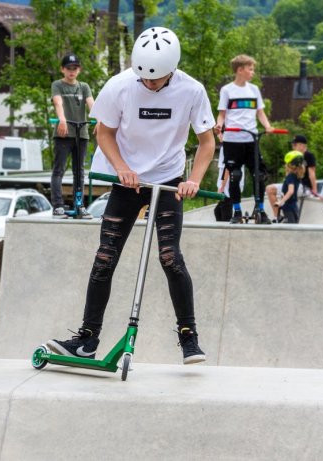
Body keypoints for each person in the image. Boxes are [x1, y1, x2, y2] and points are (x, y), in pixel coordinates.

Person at [46, 26, 216, 365]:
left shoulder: (192, 91)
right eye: (144, 78)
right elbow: (103, 132)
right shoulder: (120, 85)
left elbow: (207, 142)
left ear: (172, 69)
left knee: (170, 257)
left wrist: (193, 181)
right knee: (105, 257)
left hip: (168, 180)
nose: (148, 85)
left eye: (155, 80)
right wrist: (122, 166)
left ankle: (189, 337)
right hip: (126, 181)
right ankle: (87, 338)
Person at [214, 54, 273, 224]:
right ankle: (237, 212)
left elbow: (260, 112)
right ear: (240, 70)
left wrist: (267, 126)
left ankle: (261, 210)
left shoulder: (254, 90)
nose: (252, 72)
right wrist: (219, 125)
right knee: (235, 175)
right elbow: (222, 114)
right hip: (233, 139)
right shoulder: (227, 90)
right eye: (250, 69)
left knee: (259, 175)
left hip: (250, 139)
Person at [50, 53, 95, 218]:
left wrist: (100, 120)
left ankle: (79, 205)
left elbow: (92, 104)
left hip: (81, 133)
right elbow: (58, 102)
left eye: (74, 68)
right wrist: (62, 119)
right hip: (64, 133)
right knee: (59, 169)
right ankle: (58, 206)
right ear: (63, 69)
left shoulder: (84, 87)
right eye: (68, 68)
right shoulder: (58, 85)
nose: (71, 71)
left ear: (79, 70)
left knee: (80, 171)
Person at [267, 151, 305, 223]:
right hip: (294, 206)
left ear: (289, 165)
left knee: (291, 227)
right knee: (294, 224)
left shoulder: (290, 177)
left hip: (288, 207)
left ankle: (279, 219)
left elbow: (291, 191)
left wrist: (281, 202)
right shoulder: (297, 175)